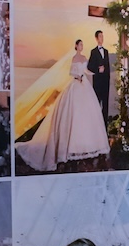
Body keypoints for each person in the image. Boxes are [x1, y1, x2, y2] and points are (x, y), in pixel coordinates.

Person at [19, 38, 114, 171]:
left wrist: (97, 71)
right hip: (76, 84)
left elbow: (87, 70)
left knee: (88, 114)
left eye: (82, 45)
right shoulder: (74, 58)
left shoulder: (84, 58)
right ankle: (71, 148)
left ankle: (86, 145)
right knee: (73, 112)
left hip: (84, 85)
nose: (82, 46)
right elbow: (71, 72)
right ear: (76, 46)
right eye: (80, 45)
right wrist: (77, 76)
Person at [88, 29, 112, 119]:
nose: (102, 38)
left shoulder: (106, 51)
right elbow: (89, 66)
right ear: (96, 38)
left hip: (105, 83)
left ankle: (105, 126)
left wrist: (108, 79)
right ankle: (96, 124)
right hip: (97, 83)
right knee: (97, 104)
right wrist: (98, 69)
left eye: (103, 36)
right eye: (100, 36)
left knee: (105, 105)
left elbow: (108, 67)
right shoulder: (93, 52)